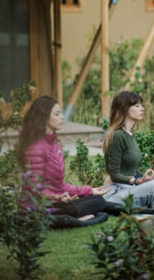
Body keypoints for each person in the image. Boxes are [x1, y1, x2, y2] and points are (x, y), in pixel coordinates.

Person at [17, 95, 108, 227]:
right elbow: (34, 189)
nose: (62, 117)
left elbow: (59, 185)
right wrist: (58, 198)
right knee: (71, 209)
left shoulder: (54, 143)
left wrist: (90, 190)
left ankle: (75, 218)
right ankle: (76, 218)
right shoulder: (35, 148)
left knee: (98, 200)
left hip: (53, 201)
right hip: (35, 207)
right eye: (57, 114)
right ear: (44, 117)